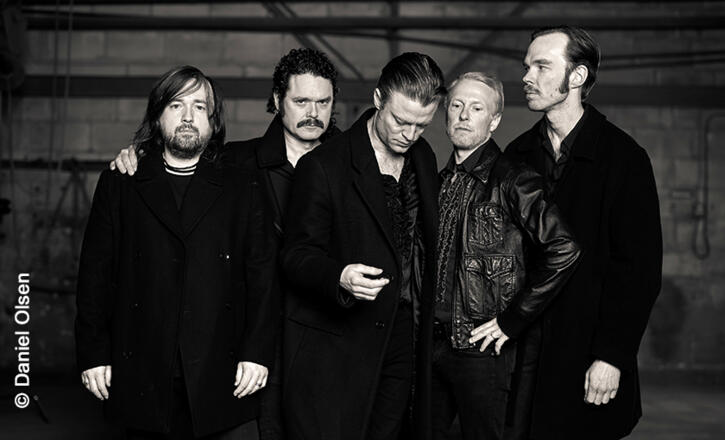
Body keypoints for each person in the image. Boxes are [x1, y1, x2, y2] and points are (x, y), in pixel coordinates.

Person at [108, 48, 341, 440]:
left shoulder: (350, 162)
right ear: (277, 100)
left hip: (325, 328)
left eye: (323, 102)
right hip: (248, 332)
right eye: (301, 101)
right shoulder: (236, 161)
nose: (313, 112)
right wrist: (138, 154)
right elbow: (181, 157)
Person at [75, 65, 277, 439]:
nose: (188, 117)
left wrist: (257, 352)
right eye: (176, 105)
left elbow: (262, 276)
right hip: (143, 364)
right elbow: (95, 276)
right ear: (157, 116)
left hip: (221, 365)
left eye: (200, 107)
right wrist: (93, 353)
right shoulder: (121, 182)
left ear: (213, 121)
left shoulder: (242, 186)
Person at [505, 26, 663, 439]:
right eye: (527, 66)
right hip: (524, 354)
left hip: (589, 352)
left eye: (542, 66)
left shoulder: (624, 159)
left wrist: (612, 355)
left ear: (576, 76)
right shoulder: (516, 155)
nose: (527, 77)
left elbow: (639, 270)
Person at [279, 52, 444, 440]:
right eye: (400, 121)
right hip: (339, 343)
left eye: (422, 125)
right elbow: (295, 256)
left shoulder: (423, 156)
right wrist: (339, 275)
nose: (410, 134)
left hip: (402, 335)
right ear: (377, 99)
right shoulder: (324, 166)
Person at [429, 71, 581, 440]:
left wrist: (511, 321)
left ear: (494, 120)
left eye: (476, 108)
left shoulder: (514, 178)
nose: (464, 115)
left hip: (482, 350)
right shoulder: (440, 180)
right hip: (432, 344)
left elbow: (564, 247)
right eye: (457, 106)